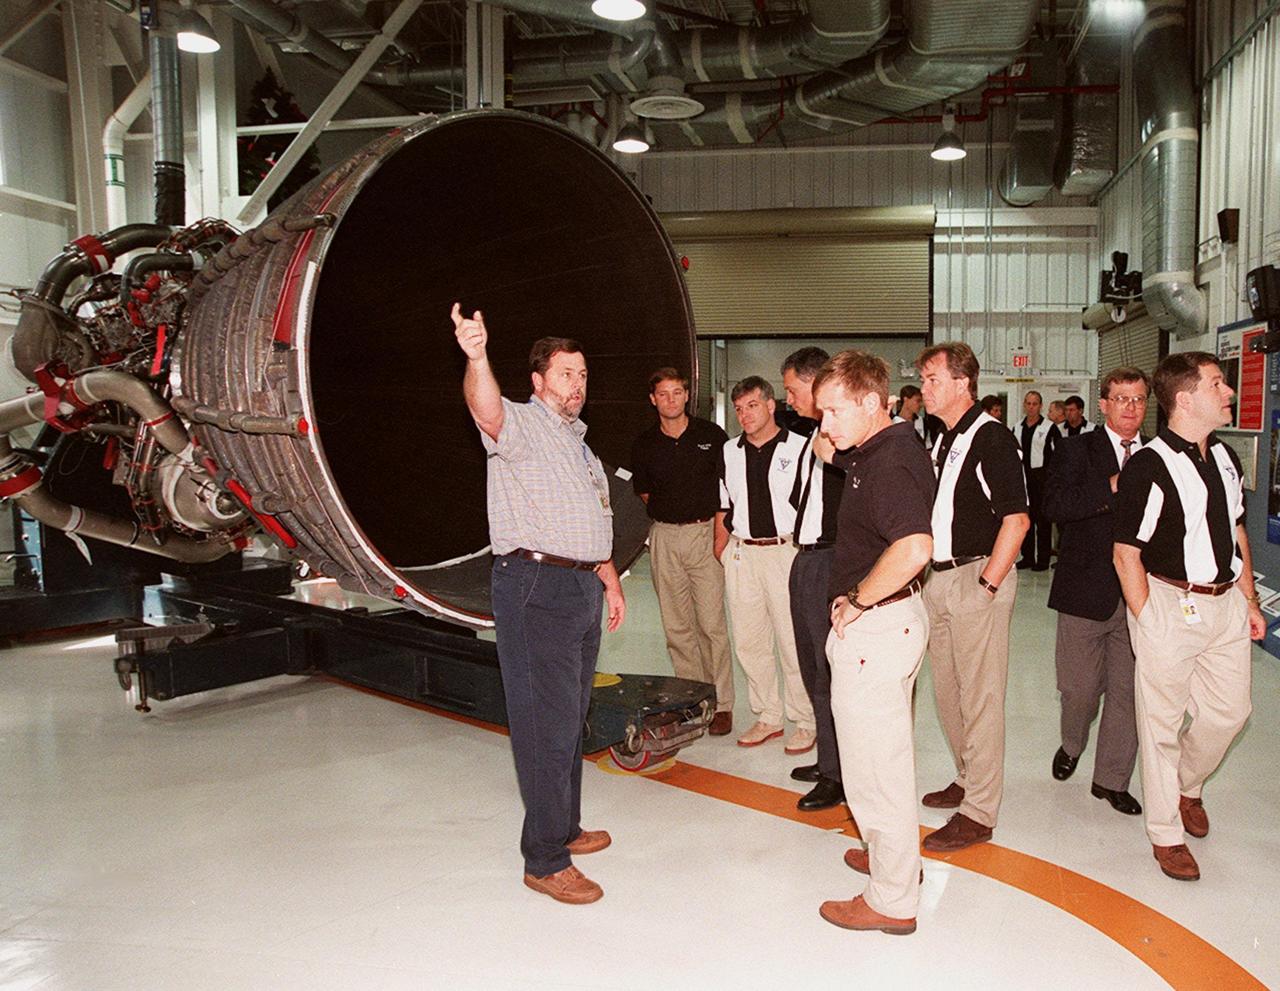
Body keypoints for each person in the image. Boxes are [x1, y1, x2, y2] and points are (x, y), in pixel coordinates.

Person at [451, 303, 626, 906]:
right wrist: (476, 357)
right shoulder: (521, 424)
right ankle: (544, 859)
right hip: (536, 587)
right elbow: (486, 409)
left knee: (569, 717)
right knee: (544, 726)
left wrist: (609, 577)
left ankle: (566, 827)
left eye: (582, 374)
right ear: (538, 380)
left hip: (578, 585)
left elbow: (588, 519)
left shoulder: (579, 445)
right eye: (564, 373)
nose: (576, 383)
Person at [1113, 352, 1266, 882]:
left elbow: (1238, 531)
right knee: (1159, 725)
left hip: (1225, 602)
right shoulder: (1149, 466)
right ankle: (1166, 833)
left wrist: (1248, 600)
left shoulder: (1224, 456)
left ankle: (1188, 786)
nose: (1228, 392)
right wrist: (1147, 618)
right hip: (1168, 605)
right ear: (1185, 398)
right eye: (1218, 384)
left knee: (1231, 713)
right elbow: (1126, 553)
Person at [813, 350, 935, 936]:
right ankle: (894, 861)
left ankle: (891, 899)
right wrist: (835, 444)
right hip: (889, 626)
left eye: (833, 411)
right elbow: (837, 455)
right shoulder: (880, 448)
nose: (826, 427)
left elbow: (914, 548)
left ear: (870, 402)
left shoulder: (890, 462)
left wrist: (858, 600)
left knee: (874, 770)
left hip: (877, 628)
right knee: (884, 759)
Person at [916, 342, 1030, 852]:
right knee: (949, 695)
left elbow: (1017, 519)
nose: (924, 388)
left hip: (975, 578)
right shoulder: (948, 438)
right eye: (923, 379)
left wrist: (987, 586)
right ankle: (968, 775)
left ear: (963, 384)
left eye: (933, 379)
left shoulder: (992, 439)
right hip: (940, 580)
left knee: (980, 699)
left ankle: (980, 811)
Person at [1043, 368, 1151, 817]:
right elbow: (1054, 506)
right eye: (1120, 398)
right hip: (1084, 588)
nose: (1130, 407)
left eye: (1138, 399)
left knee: (1128, 693)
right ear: (1103, 404)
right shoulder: (1076, 450)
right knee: (1080, 690)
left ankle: (1111, 780)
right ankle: (1072, 742)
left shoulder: (1158, 457)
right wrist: (1109, 487)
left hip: (1140, 595)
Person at [631, 369, 735, 735]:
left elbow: (727, 491)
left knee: (711, 625)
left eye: (677, 392)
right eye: (664, 394)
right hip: (664, 537)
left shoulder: (711, 436)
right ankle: (692, 698)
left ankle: (722, 703)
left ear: (686, 396)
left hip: (704, 534)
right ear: (653, 399)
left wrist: (719, 540)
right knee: (677, 627)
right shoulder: (644, 444)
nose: (671, 400)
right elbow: (646, 493)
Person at [716, 376, 816, 751]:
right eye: (739, 408)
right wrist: (722, 549)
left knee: (792, 641)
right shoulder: (729, 452)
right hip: (743, 553)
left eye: (752, 406)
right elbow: (723, 504)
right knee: (749, 642)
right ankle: (768, 716)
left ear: (771, 405)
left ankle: (805, 719)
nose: (744, 414)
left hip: (785, 552)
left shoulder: (802, 448)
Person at [781, 347, 845, 810]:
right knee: (811, 667)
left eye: (791, 390)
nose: (788, 400)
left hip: (830, 561)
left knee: (829, 673)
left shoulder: (841, 439)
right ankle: (828, 760)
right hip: (804, 559)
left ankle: (839, 774)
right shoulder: (810, 437)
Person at [1015, 390, 1054, 571]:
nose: (1031, 407)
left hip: (1042, 479)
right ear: (1024, 405)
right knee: (1026, 520)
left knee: (1043, 521)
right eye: (1028, 403)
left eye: (1035, 403)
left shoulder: (1049, 427)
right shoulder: (1017, 427)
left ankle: (1043, 559)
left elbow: (1057, 455)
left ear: (1041, 406)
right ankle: (1027, 556)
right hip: (1023, 479)